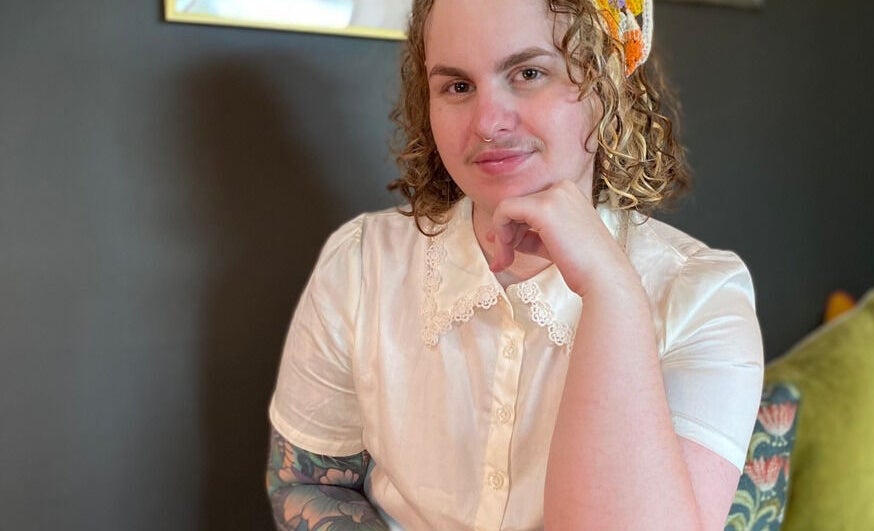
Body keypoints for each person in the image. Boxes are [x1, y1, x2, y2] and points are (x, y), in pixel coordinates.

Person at [266, 0, 764, 529]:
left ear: (607, 88)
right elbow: (308, 482)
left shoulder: (703, 299)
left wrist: (611, 293)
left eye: (528, 73)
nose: (487, 122)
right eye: (457, 86)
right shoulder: (362, 264)